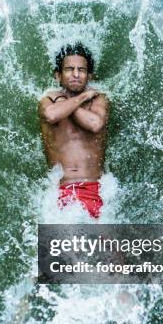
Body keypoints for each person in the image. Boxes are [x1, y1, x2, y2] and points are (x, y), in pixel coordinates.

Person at [38, 42, 109, 219]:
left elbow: (95, 124)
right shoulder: (47, 99)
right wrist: (81, 97)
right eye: (69, 69)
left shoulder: (99, 100)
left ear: (89, 76)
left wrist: (65, 103)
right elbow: (52, 115)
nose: (76, 74)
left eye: (82, 70)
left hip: (94, 188)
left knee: (102, 246)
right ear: (58, 75)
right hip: (60, 191)